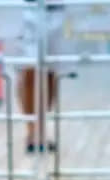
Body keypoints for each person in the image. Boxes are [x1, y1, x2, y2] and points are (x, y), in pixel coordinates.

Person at [16, 0, 74, 153]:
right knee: (29, 69)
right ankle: (32, 130)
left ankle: (40, 129)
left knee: (50, 71)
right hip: (26, 8)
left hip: (57, 9)